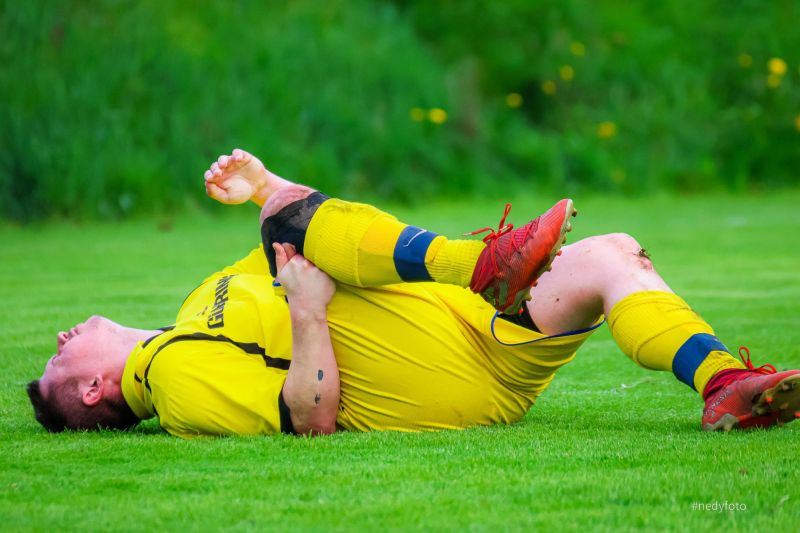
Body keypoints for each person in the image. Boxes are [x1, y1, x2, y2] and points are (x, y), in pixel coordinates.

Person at [27, 149, 800, 437]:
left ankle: (724, 384)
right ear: (96, 389)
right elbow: (309, 416)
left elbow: (315, 235)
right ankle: (478, 261)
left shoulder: (200, 308)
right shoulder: (172, 373)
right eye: (61, 363)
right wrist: (304, 309)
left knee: (611, 254)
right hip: (443, 377)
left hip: (471, 325)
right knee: (287, 219)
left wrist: (267, 188)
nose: (63, 336)